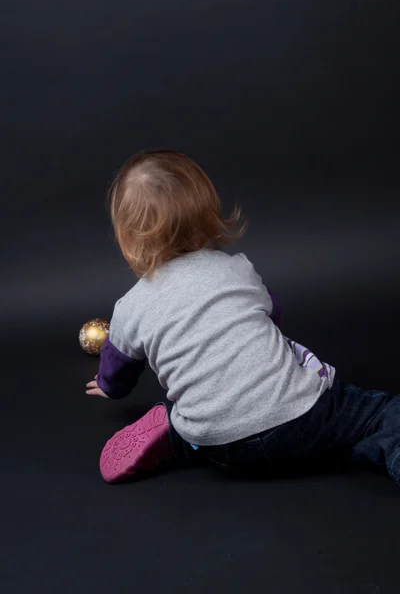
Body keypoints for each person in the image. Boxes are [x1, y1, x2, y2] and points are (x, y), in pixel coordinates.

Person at [86, 149, 400, 485]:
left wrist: (109, 386)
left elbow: (118, 364)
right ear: (206, 212)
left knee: (202, 420)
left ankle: (180, 438)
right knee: (380, 416)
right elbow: (271, 317)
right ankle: (353, 442)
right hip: (296, 421)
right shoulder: (236, 269)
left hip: (219, 447)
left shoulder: (130, 306)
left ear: (128, 236)